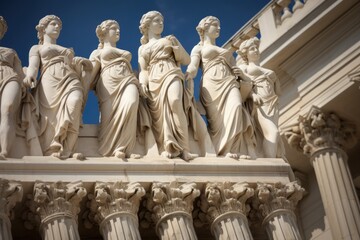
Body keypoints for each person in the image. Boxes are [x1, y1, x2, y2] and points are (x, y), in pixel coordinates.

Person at [186, 16, 255, 159]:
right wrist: (188, 74)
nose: (219, 28)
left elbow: (236, 69)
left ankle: (235, 148)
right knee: (217, 121)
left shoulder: (224, 51)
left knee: (236, 107)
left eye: (219, 25)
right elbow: (193, 65)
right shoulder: (198, 48)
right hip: (211, 85)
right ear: (205, 28)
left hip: (229, 82)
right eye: (215, 25)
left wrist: (242, 75)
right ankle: (222, 151)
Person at [23, 15, 91, 159]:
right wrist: (30, 76)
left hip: (70, 78)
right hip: (50, 79)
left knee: (75, 102)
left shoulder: (66, 49)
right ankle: (52, 149)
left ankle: (68, 149)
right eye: (53, 24)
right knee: (51, 116)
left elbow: (74, 65)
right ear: (43, 28)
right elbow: (34, 66)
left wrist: (82, 64)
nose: (57, 27)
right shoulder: (37, 48)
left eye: (59, 25)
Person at [138, 11, 201, 161]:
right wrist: (142, 82)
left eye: (162, 21)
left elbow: (185, 60)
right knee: (160, 115)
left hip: (171, 71)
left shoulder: (169, 39)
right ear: (147, 25)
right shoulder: (142, 48)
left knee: (174, 102)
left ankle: (185, 149)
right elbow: (143, 69)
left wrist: (176, 48)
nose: (160, 23)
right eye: (156, 21)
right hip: (154, 78)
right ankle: (167, 145)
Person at [89, 20, 139, 159]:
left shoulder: (121, 51)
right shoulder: (97, 52)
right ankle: (114, 149)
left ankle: (125, 146)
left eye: (119, 29)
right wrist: (82, 89)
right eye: (114, 28)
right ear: (104, 32)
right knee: (109, 117)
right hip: (108, 83)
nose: (118, 31)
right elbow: (91, 74)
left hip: (127, 79)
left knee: (131, 103)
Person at [237, 37, 282, 158]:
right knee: (273, 132)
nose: (256, 50)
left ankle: (269, 158)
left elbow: (278, 91)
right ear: (245, 53)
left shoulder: (267, 70)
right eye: (252, 49)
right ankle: (272, 162)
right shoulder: (244, 68)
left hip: (272, 103)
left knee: (272, 134)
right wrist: (252, 95)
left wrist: (275, 80)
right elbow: (242, 85)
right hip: (259, 103)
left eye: (256, 48)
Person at [0, 16, 23, 160]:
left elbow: (20, 74)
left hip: (10, 76)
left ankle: (4, 151)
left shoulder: (10, 51)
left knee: (8, 109)